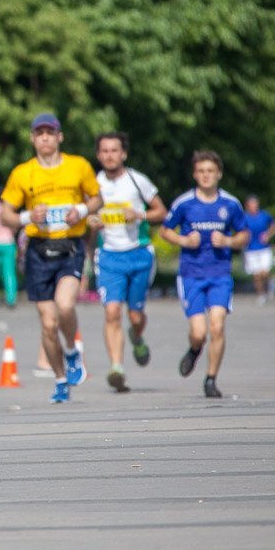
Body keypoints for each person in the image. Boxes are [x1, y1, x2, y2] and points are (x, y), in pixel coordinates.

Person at [0, 113, 102, 404]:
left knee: (65, 304)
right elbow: (6, 216)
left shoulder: (78, 166)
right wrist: (26, 216)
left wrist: (81, 212)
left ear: (60, 137)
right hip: (38, 250)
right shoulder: (23, 173)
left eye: (50, 132)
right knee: (47, 323)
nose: (45, 138)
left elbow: (97, 198)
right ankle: (60, 379)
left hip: (69, 246)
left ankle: (72, 350)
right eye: (39, 133)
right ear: (32, 138)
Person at [160, 150, 250, 398]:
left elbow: (244, 235)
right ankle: (195, 349)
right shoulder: (184, 203)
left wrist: (229, 241)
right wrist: (184, 240)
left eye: (210, 171)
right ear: (194, 174)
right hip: (191, 274)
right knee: (199, 332)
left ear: (219, 173)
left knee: (217, 326)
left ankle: (211, 379)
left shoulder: (230, 204)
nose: (206, 176)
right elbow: (165, 231)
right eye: (201, 171)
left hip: (220, 274)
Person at [87, 131, 167, 393]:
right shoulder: (93, 184)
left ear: (123, 154)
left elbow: (161, 211)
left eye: (115, 150)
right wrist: (91, 221)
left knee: (134, 315)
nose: (110, 155)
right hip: (109, 255)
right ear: (99, 155)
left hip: (139, 253)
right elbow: (84, 217)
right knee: (111, 312)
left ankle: (136, 336)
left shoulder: (137, 180)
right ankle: (116, 367)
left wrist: (140, 213)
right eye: (105, 151)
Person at [242, 196, 275, 304]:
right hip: (251, 249)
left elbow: (274, 225)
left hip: (264, 248)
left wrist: (268, 235)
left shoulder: (264, 215)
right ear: (247, 206)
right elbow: (239, 230)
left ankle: (269, 285)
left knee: (264, 272)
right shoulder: (244, 217)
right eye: (251, 204)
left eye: (255, 203)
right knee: (256, 274)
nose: (253, 206)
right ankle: (260, 294)